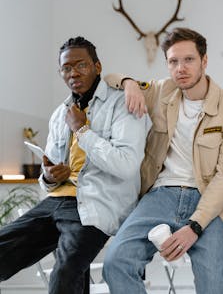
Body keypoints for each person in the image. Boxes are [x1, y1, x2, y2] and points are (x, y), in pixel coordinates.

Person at [0, 36, 147, 294]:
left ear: (97, 67)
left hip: (96, 202)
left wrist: (82, 129)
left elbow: (126, 166)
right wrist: (49, 176)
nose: (73, 73)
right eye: (66, 68)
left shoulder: (123, 103)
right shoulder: (60, 113)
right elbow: (50, 174)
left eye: (81, 65)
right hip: (57, 201)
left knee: (66, 271)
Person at [102, 27, 223, 294]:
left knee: (212, 285)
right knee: (116, 262)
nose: (181, 68)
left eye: (188, 60)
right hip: (159, 196)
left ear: (204, 61)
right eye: (173, 61)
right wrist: (129, 83)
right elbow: (110, 78)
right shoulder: (160, 91)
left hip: (210, 201)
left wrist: (195, 226)